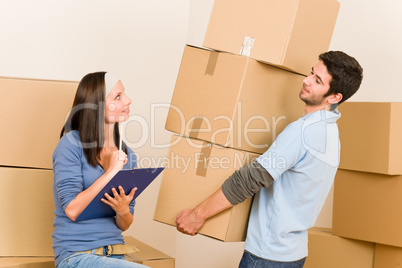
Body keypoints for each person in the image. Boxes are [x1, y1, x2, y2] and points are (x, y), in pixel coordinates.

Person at [176, 51, 363, 268]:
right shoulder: (332, 134)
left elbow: (250, 179)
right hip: (294, 254)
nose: (306, 80)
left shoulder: (302, 132)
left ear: (334, 97)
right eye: (312, 73)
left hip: (268, 256)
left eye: (317, 80)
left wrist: (197, 215)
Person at [52, 72, 148, 268]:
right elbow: (72, 210)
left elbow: (125, 223)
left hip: (115, 255)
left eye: (124, 94)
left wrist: (122, 211)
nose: (128, 101)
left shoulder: (128, 155)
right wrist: (110, 173)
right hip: (76, 256)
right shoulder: (70, 145)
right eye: (118, 96)